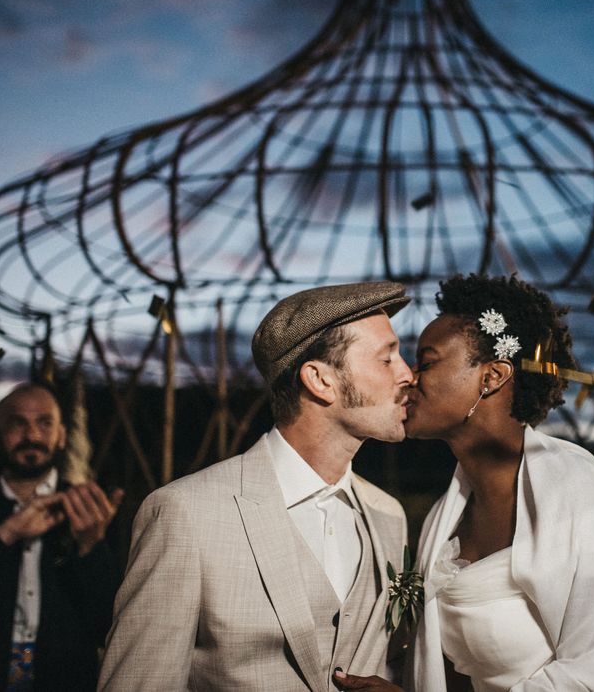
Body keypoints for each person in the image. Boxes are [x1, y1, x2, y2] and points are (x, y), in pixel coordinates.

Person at [334, 274, 594, 692]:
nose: (408, 377)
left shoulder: (578, 493)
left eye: (426, 362)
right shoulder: (443, 521)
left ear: (493, 376)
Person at [98, 281, 413, 691]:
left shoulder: (389, 516)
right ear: (320, 380)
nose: (408, 374)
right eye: (387, 359)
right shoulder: (185, 514)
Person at [0, 382, 123, 692]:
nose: (32, 435)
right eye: (17, 423)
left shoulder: (93, 509)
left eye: (44, 423)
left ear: (62, 436)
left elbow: (110, 623)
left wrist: (92, 546)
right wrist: (6, 532)